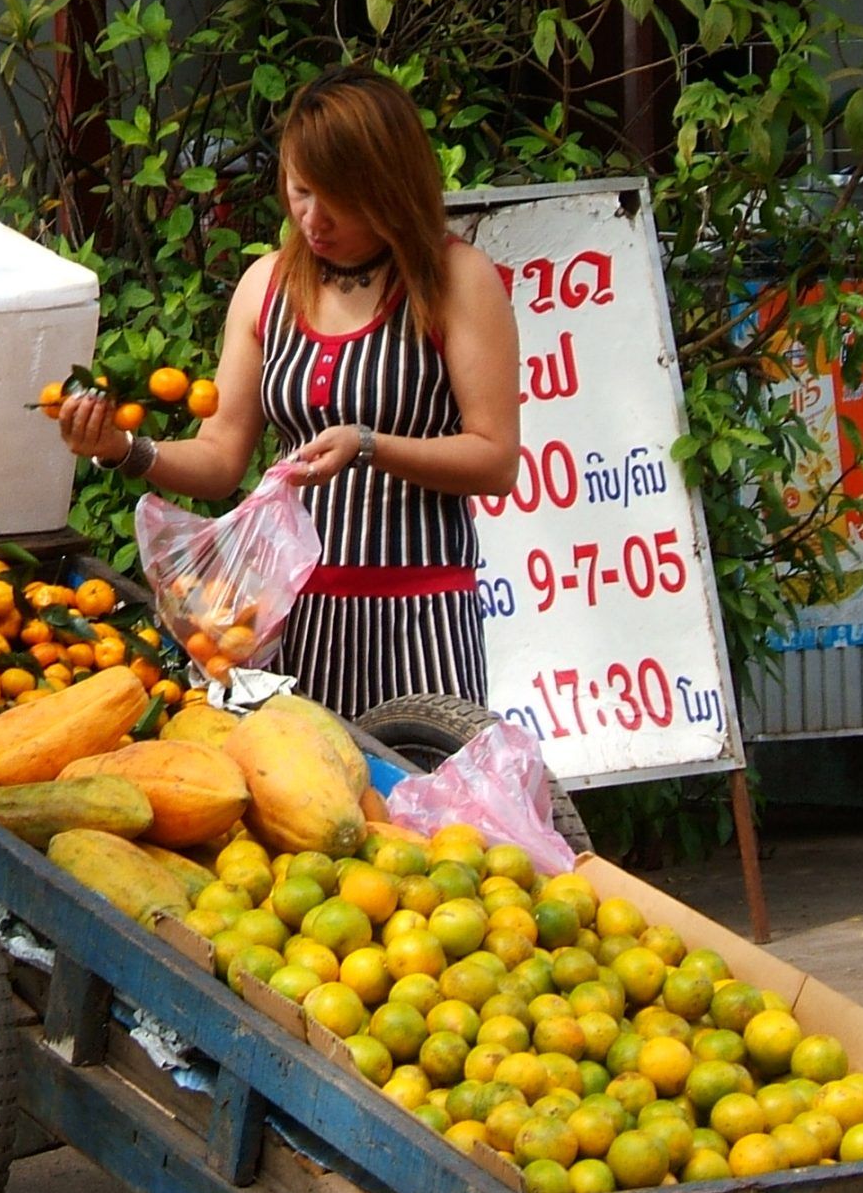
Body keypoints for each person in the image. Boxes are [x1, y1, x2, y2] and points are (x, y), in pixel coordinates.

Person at [54, 66, 520, 717]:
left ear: (392, 188)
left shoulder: (456, 280)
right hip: (283, 618)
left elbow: (495, 461)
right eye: (301, 191)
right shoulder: (266, 288)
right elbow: (221, 461)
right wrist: (124, 448)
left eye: (338, 199)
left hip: (420, 617)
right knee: (296, 806)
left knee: (430, 811)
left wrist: (370, 446)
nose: (313, 217)